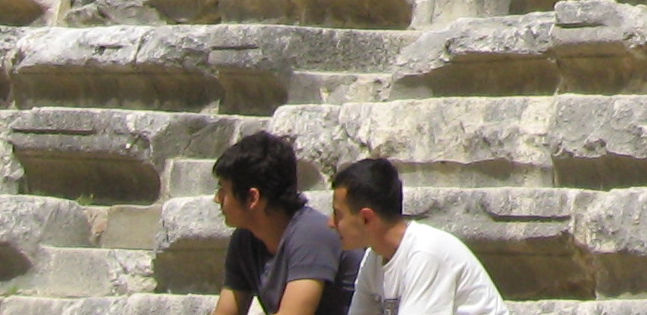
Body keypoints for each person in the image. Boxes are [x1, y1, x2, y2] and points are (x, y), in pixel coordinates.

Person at [329, 157, 508, 315]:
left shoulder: (425, 253)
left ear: (366, 218)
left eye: (338, 215)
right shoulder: (374, 257)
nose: (330, 223)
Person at [211, 131, 357, 315]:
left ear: (252, 198)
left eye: (223, 190)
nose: (217, 199)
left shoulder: (311, 235)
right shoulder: (244, 240)